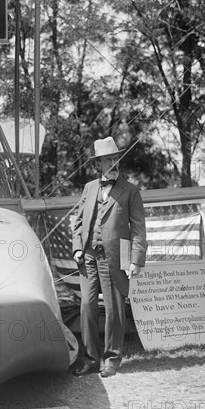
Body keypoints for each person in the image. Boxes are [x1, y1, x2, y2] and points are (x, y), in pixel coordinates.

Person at [72, 136, 148, 378]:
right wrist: (77, 248)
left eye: (116, 158)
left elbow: (138, 228)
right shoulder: (88, 188)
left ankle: (112, 359)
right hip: (88, 257)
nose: (113, 163)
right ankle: (91, 359)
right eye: (108, 160)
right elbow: (79, 222)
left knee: (115, 309)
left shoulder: (131, 191)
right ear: (98, 165)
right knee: (87, 306)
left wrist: (135, 260)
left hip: (117, 256)